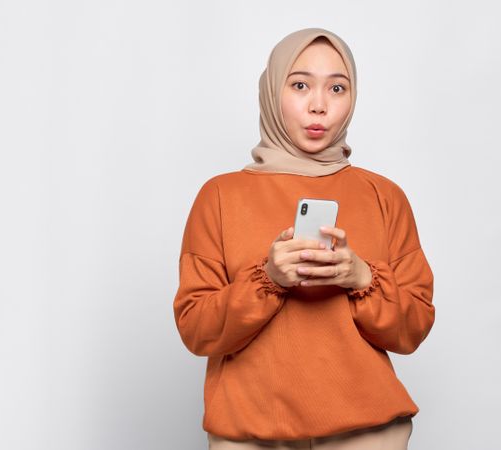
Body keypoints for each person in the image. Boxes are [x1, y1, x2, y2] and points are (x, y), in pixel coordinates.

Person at [173, 28, 435, 450]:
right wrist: (267, 278)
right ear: (272, 92)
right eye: (300, 85)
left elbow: (413, 329)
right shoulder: (220, 195)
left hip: (367, 433)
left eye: (337, 87)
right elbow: (196, 329)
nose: (319, 105)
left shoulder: (384, 196)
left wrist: (362, 277)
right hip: (250, 433)